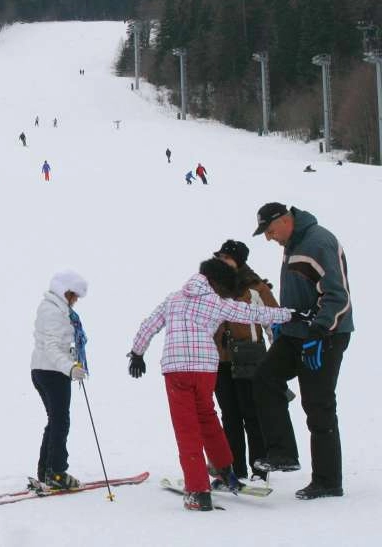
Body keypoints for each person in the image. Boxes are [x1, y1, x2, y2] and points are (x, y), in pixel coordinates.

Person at [127, 259, 293, 511]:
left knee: (187, 429)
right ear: (216, 282)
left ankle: (198, 491)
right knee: (207, 417)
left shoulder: (173, 299)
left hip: (177, 370)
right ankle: (225, 470)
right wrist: (290, 314)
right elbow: (252, 313)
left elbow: (149, 325)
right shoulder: (216, 302)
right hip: (205, 369)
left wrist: (137, 353)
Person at [251, 203, 353, 500]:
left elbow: (338, 296)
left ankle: (328, 480)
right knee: (265, 377)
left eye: (270, 231)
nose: (269, 238)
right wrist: (283, 319)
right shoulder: (292, 244)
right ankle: (282, 453)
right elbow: (300, 292)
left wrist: (319, 331)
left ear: (285, 221)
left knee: (318, 404)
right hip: (295, 333)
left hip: (326, 335)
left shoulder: (319, 242)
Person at [211, 240, 278, 483]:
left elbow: (274, 322)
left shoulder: (256, 288)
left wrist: (276, 359)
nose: (222, 262)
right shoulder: (211, 288)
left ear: (238, 261)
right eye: (219, 258)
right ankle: (234, 468)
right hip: (220, 361)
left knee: (253, 415)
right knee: (229, 416)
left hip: (251, 359)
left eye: (226, 258)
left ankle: (259, 470)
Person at [29, 271, 89, 491]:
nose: (76, 300)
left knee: (55, 421)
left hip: (45, 370)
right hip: (52, 372)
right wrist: (70, 368)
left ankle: (47, 470)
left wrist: (71, 362)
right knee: (60, 421)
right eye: (74, 296)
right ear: (65, 291)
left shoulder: (55, 308)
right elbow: (52, 347)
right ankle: (56, 472)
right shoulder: (53, 311)